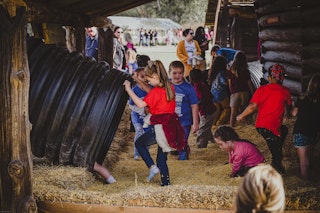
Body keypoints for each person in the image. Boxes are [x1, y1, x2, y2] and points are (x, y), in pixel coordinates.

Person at [123, 60, 185, 186]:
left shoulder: (157, 91)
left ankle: (152, 167)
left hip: (159, 127)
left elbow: (140, 104)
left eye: (149, 79)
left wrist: (129, 89)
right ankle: (165, 183)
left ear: (156, 77)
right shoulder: (168, 86)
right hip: (171, 126)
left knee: (139, 143)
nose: (148, 81)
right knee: (162, 159)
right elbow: (151, 92)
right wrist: (138, 80)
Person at [237, 64, 292, 174]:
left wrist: (241, 115)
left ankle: (276, 167)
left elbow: (252, 106)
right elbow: (288, 105)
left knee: (283, 131)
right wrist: (287, 113)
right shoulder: (285, 91)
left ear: (270, 78)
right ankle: (276, 170)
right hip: (271, 127)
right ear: (282, 78)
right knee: (277, 152)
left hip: (262, 126)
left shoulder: (261, 89)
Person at [291, 73, 320, 180]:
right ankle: (312, 180)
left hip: (300, 132)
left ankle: (305, 184)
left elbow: (294, 113)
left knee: (303, 163)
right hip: (313, 133)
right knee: (310, 158)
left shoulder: (302, 99)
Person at [169, 61, 199, 160]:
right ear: (169, 73)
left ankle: (183, 159)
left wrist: (195, 123)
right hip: (170, 120)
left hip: (184, 121)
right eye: (174, 73)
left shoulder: (189, 88)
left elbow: (194, 106)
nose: (177, 76)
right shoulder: (166, 87)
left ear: (184, 73)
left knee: (182, 141)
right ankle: (184, 148)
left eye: (180, 73)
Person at [128, 67, 151, 160]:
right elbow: (131, 105)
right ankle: (136, 153)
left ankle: (145, 152)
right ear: (137, 78)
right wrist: (142, 110)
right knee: (139, 131)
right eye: (142, 77)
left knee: (148, 132)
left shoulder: (151, 89)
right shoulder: (135, 90)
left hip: (149, 117)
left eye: (147, 76)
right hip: (137, 116)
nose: (145, 79)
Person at [189, 69, 216, 148]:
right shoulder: (201, 84)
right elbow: (210, 96)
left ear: (191, 78)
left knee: (202, 130)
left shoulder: (197, 86)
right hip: (209, 110)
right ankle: (214, 140)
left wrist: (194, 105)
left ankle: (201, 146)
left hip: (207, 111)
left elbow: (202, 99)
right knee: (206, 127)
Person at [227, 51, 255, 127]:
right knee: (244, 109)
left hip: (235, 93)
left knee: (233, 112)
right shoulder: (246, 71)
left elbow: (230, 84)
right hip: (244, 92)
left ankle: (231, 125)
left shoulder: (230, 71)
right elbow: (249, 84)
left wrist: (231, 92)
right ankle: (246, 123)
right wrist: (253, 94)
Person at [208, 56, 231, 126]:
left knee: (217, 110)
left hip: (213, 93)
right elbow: (224, 82)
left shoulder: (212, 72)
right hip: (221, 94)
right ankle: (219, 123)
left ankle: (213, 123)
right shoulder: (222, 72)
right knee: (227, 108)